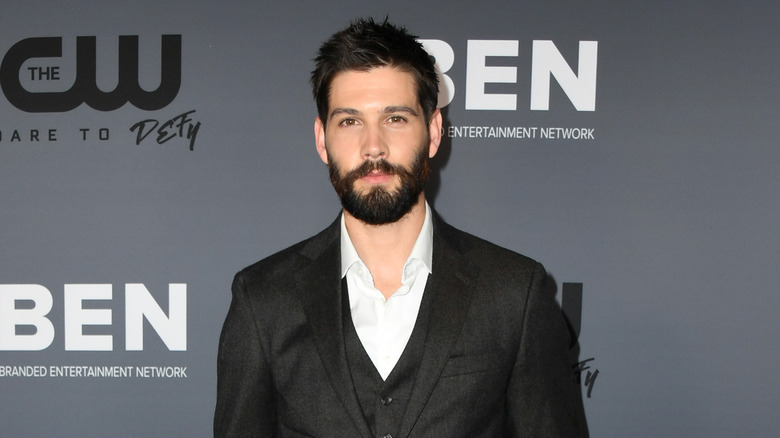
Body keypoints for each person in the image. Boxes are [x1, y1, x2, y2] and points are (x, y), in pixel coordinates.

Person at [214, 17, 588, 437]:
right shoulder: (263, 299)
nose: (373, 146)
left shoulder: (514, 294)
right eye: (350, 121)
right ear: (322, 139)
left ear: (432, 132)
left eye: (394, 118)